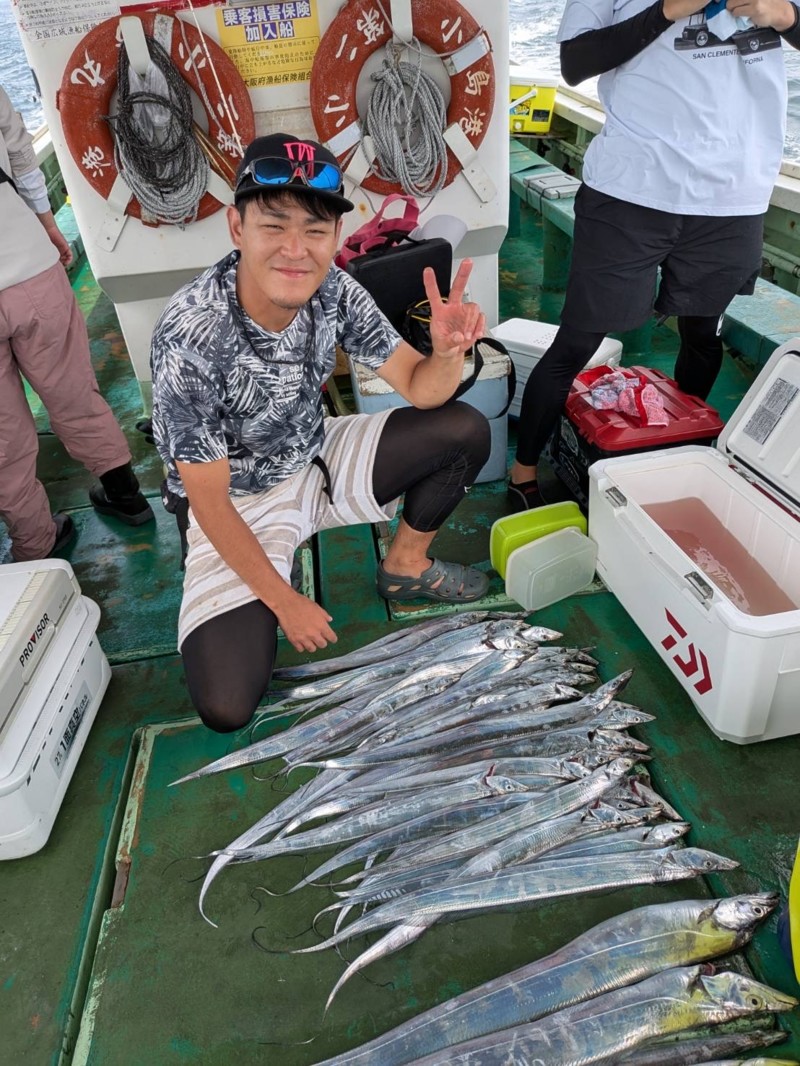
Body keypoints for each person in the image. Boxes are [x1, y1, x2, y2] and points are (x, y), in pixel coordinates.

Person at [150, 132, 491, 733]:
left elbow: (419, 387)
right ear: (236, 227)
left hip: (313, 453)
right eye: (273, 225)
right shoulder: (190, 335)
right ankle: (257, 577)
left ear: (335, 237)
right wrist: (286, 604)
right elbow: (205, 497)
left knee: (463, 428)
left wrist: (446, 354)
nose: (295, 249)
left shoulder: (332, 288)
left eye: (315, 230)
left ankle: (405, 567)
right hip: (234, 499)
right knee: (226, 705)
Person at [508, 0, 800, 512]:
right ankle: (524, 473)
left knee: (701, 335)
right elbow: (575, 63)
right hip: (630, 193)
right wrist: (668, 10)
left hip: (735, 198)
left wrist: (785, 17)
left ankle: (675, 453)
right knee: (577, 341)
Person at [0, 85, 154, 560]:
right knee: (72, 392)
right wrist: (46, 223)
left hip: (27, 267)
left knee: (4, 433)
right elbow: (21, 153)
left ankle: (35, 544)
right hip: (29, 266)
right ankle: (125, 494)